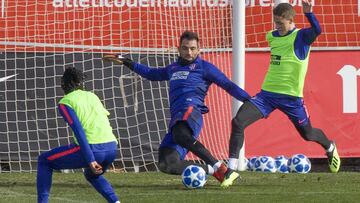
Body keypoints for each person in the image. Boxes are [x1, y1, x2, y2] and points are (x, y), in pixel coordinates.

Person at [103, 31, 250, 187]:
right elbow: (152, 74)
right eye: (185, 48)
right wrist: (127, 62)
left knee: (180, 134)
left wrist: (248, 99)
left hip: (191, 111)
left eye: (193, 48)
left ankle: (220, 167)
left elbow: (228, 85)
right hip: (176, 117)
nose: (189, 52)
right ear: (178, 49)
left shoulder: (205, 68)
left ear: (199, 49)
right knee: (167, 163)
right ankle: (215, 171)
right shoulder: (173, 68)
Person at [224, 0, 341, 186]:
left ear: (291, 20)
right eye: (275, 22)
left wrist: (309, 14)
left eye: (281, 23)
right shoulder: (272, 36)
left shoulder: (301, 37)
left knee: (308, 134)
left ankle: (329, 146)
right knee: (238, 122)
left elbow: (317, 30)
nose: (277, 27)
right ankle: (230, 170)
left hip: (292, 99)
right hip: (267, 96)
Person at [37, 67, 120, 203]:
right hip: (112, 147)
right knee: (92, 175)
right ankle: (115, 201)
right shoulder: (92, 95)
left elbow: (78, 130)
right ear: (79, 83)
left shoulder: (65, 102)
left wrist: (91, 159)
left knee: (44, 160)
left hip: (92, 149)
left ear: (64, 83)